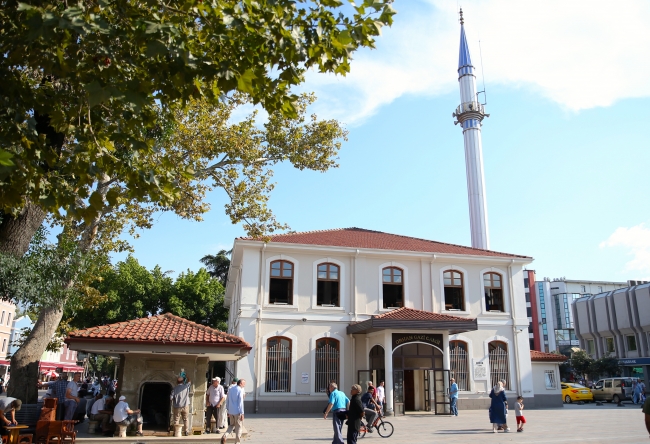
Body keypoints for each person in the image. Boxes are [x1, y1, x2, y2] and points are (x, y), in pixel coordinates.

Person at [222, 379, 245, 444]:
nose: (244, 385)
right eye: (243, 384)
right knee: (239, 427)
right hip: (237, 411)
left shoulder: (231, 389)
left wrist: (228, 410)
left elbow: (227, 400)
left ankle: (225, 436)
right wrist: (242, 413)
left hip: (231, 411)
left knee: (231, 425)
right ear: (240, 383)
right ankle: (237, 442)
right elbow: (240, 402)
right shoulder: (240, 390)